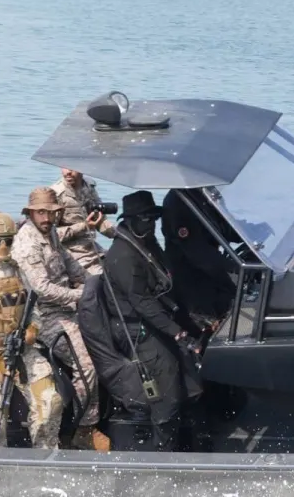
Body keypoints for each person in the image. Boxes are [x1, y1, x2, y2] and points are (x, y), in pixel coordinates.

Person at [100, 191, 204, 451]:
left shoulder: (146, 243)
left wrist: (192, 319)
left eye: (154, 218)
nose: (152, 224)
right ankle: (162, 458)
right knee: (166, 395)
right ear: (131, 220)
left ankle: (190, 443)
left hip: (157, 319)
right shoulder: (124, 255)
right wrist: (177, 332)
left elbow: (166, 284)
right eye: (146, 219)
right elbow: (141, 302)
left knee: (192, 385)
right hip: (137, 329)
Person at [13, 187, 111, 451]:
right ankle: (84, 428)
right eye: (41, 213)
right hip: (43, 315)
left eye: (51, 213)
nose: (46, 218)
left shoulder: (51, 233)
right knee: (86, 365)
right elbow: (40, 288)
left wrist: (99, 283)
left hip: (67, 307)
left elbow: (70, 264)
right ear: (32, 213)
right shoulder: (27, 243)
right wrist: (79, 295)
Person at [0, 212, 65, 449]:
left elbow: (34, 308)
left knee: (50, 402)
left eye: (9, 240)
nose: (3, 246)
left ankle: (43, 454)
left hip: (21, 350)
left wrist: (33, 328)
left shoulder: (18, 271)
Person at [160, 189, 234, 330]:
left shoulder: (207, 194)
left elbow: (223, 226)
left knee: (233, 296)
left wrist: (250, 232)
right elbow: (195, 249)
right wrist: (232, 266)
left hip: (210, 266)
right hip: (189, 273)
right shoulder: (178, 201)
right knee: (204, 321)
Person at [50, 167, 115, 274]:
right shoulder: (56, 194)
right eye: (64, 167)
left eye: (72, 167)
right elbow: (51, 236)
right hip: (70, 252)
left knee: (122, 266)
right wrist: (84, 226)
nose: (68, 172)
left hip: (92, 248)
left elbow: (99, 220)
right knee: (102, 278)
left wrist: (121, 235)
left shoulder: (89, 187)